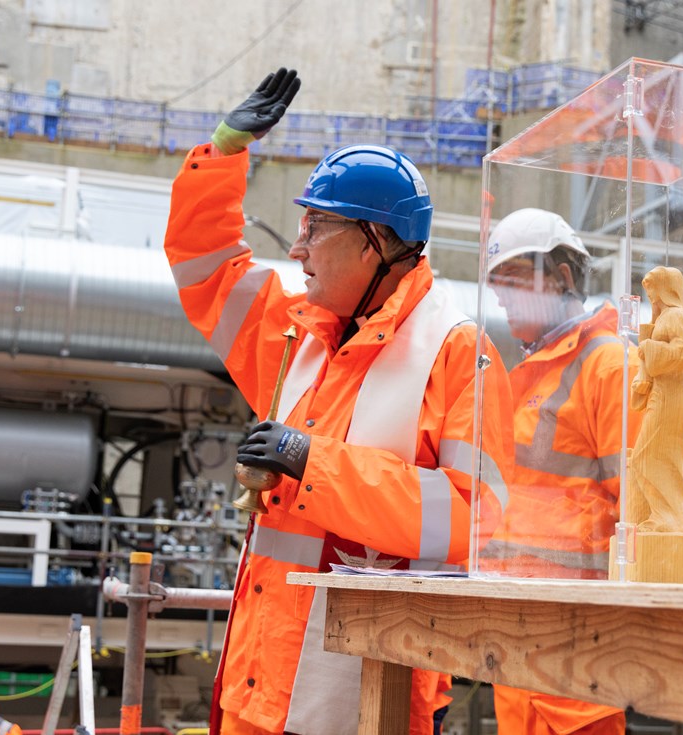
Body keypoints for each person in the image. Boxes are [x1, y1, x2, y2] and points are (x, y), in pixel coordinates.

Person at [164, 67, 513, 735]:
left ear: (375, 241)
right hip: (254, 691)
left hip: (362, 703)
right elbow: (203, 266)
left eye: (316, 227)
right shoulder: (296, 332)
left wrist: (311, 461)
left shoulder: (457, 354)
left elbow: (472, 525)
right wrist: (225, 150)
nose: (295, 248)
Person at [479, 208, 641, 735]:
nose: (502, 297)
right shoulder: (524, 377)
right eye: (496, 284)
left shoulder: (610, 365)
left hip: (580, 653)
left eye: (514, 280)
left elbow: (641, 510)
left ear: (562, 277)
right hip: (518, 646)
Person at [629, 265, 683, 535]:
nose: (651, 297)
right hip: (664, 392)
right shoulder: (664, 319)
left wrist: (649, 348)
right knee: (657, 457)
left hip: (673, 395)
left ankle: (672, 517)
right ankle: (667, 515)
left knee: (647, 455)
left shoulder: (675, 316)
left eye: (653, 290)